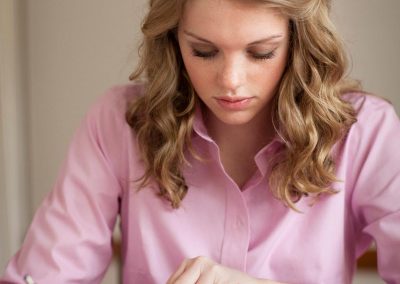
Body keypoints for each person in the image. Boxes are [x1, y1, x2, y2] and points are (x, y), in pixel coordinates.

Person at [1, 0, 399, 283]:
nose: (231, 80)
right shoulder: (118, 123)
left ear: (299, 43)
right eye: (203, 51)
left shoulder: (365, 133)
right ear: (173, 41)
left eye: (261, 53)